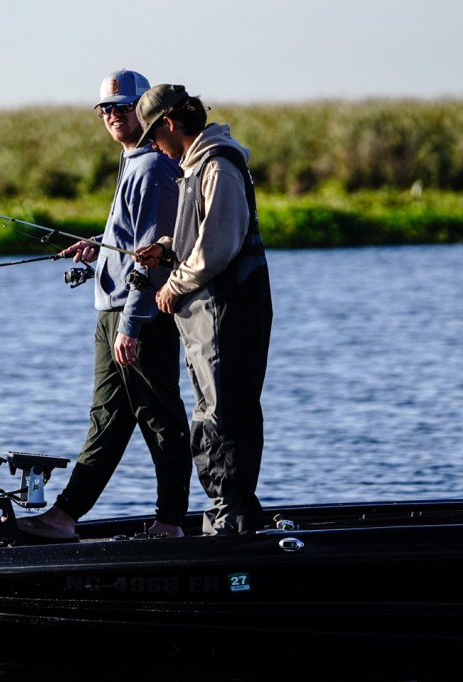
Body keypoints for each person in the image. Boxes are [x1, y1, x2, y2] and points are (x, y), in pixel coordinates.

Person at [16, 69, 193, 541]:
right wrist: (100, 246)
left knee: (160, 416)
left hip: (137, 316)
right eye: (105, 109)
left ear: (147, 112)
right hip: (113, 312)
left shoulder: (153, 168)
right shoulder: (133, 161)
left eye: (123, 107)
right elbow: (132, 237)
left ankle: (171, 522)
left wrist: (131, 325)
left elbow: (154, 257)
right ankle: (64, 517)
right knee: (108, 419)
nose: (113, 116)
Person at [133, 84, 273, 535]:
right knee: (211, 414)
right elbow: (200, 233)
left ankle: (230, 522)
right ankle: (229, 516)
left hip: (227, 313)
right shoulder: (196, 166)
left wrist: (172, 285)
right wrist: (166, 247)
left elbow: (218, 245)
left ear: (170, 123)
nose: (155, 146)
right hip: (206, 317)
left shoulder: (218, 165)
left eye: (154, 136)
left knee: (224, 416)